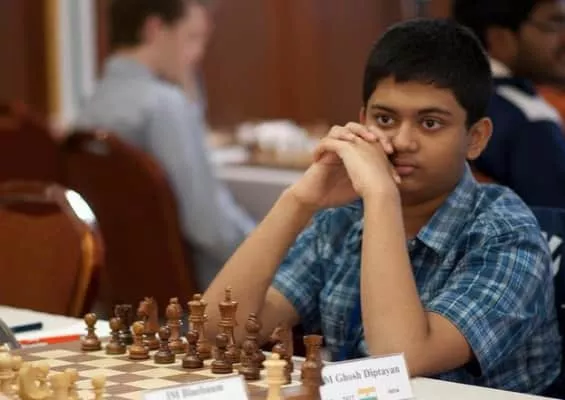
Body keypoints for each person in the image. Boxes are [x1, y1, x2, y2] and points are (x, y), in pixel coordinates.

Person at [203, 19, 562, 395]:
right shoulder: (342, 220)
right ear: (362, 122)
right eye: (385, 119)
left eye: (430, 123)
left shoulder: (508, 234)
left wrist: (382, 197)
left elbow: (399, 359)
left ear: (475, 138)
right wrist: (298, 201)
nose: (402, 141)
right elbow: (217, 334)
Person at [76, 0, 254, 291]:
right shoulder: (164, 106)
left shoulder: (90, 107)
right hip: (204, 300)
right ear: (154, 29)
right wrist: (277, 250)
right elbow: (210, 227)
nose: (198, 54)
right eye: (191, 37)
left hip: (121, 293)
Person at [453, 0, 565, 208]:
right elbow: (554, 219)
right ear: (500, 38)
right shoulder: (531, 117)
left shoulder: (443, 96)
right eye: (555, 24)